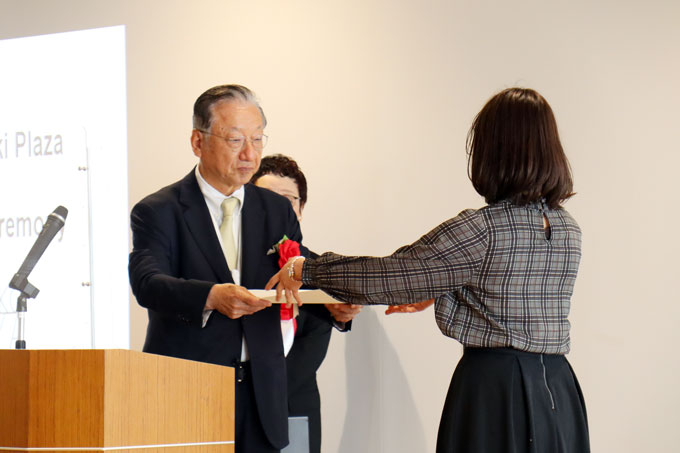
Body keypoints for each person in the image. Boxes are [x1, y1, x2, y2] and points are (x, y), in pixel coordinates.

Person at [268, 88, 590, 452]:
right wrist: (443, 287)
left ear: (494, 152)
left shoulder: (484, 229)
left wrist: (306, 269)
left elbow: (392, 276)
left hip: (495, 390)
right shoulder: (567, 228)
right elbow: (507, 285)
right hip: (559, 391)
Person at [129, 84, 301, 453]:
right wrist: (209, 296)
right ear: (197, 141)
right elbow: (147, 283)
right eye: (236, 140)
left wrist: (336, 302)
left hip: (261, 397)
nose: (250, 154)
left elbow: (300, 268)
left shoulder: (277, 210)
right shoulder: (159, 210)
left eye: (257, 139)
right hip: (186, 392)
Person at [251, 154, 361, 453]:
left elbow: (313, 347)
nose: (279, 209)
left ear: (301, 208)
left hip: (295, 408)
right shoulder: (233, 268)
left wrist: (342, 312)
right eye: (267, 198)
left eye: (288, 200)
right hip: (235, 408)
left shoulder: (316, 268)